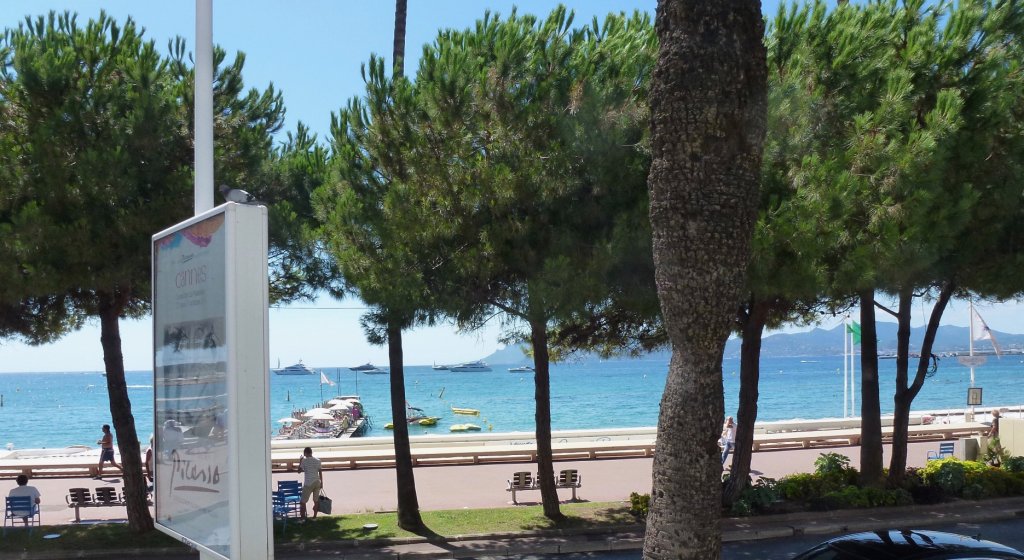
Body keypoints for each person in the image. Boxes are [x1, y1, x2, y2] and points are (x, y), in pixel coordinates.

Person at [297, 446, 323, 520]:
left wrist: (300, 461)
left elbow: (299, 471)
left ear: (305, 453)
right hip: (317, 482)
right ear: (311, 452)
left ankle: (302, 518)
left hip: (308, 483)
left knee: (302, 502)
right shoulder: (318, 460)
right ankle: (314, 517)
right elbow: (320, 472)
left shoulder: (304, 461)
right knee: (316, 500)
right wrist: (322, 483)